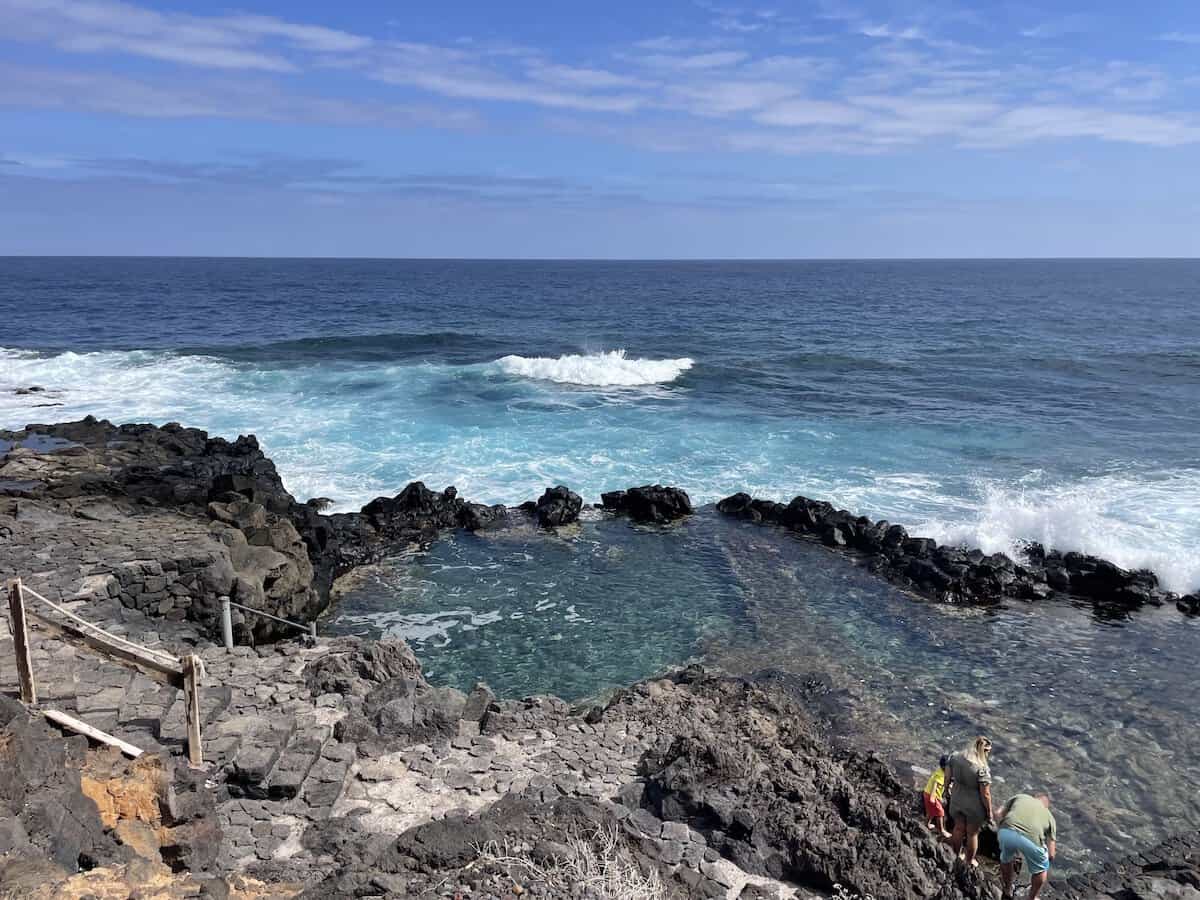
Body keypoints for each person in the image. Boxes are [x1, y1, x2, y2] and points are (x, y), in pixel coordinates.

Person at [998, 793, 1057, 900]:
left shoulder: (1021, 797)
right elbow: (1051, 854)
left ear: (1034, 798)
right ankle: (1032, 897)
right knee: (1041, 870)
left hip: (1006, 830)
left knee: (1006, 858)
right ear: (1046, 806)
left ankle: (1007, 889)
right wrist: (1046, 859)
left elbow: (999, 813)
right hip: (1031, 840)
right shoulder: (1050, 817)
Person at [946, 735, 994, 867]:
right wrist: (989, 812)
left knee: (958, 828)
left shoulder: (955, 757)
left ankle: (955, 855)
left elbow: (948, 774)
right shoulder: (982, 769)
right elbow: (986, 794)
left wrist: (946, 790)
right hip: (974, 807)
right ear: (984, 751)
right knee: (972, 834)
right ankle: (969, 861)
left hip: (956, 799)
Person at [923, 755, 951, 838]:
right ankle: (941, 830)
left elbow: (943, 783)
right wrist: (932, 797)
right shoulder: (940, 776)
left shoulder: (940, 771)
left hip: (926, 793)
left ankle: (926, 824)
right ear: (945, 767)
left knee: (930, 811)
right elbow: (935, 785)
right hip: (932, 796)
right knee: (940, 813)